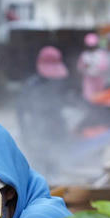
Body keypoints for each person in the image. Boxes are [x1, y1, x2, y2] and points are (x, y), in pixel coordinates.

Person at [15, 46, 72, 176]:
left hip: (56, 131)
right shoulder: (31, 85)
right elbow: (21, 112)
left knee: (55, 166)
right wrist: (25, 133)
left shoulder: (58, 83)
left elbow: (61, 107)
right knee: (39, 168)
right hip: (37, 132)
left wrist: (64, 129)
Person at [76, 32, 110, 102]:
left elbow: (106, 66)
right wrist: (85, 67)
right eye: (90, 46)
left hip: (99, 80)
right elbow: (80, 67)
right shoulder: (84, 55)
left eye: (93, 46)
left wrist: (97, 69)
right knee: (89, 98)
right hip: (89, 81)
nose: (91, 48)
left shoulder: (101, 54)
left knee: (99, 98)